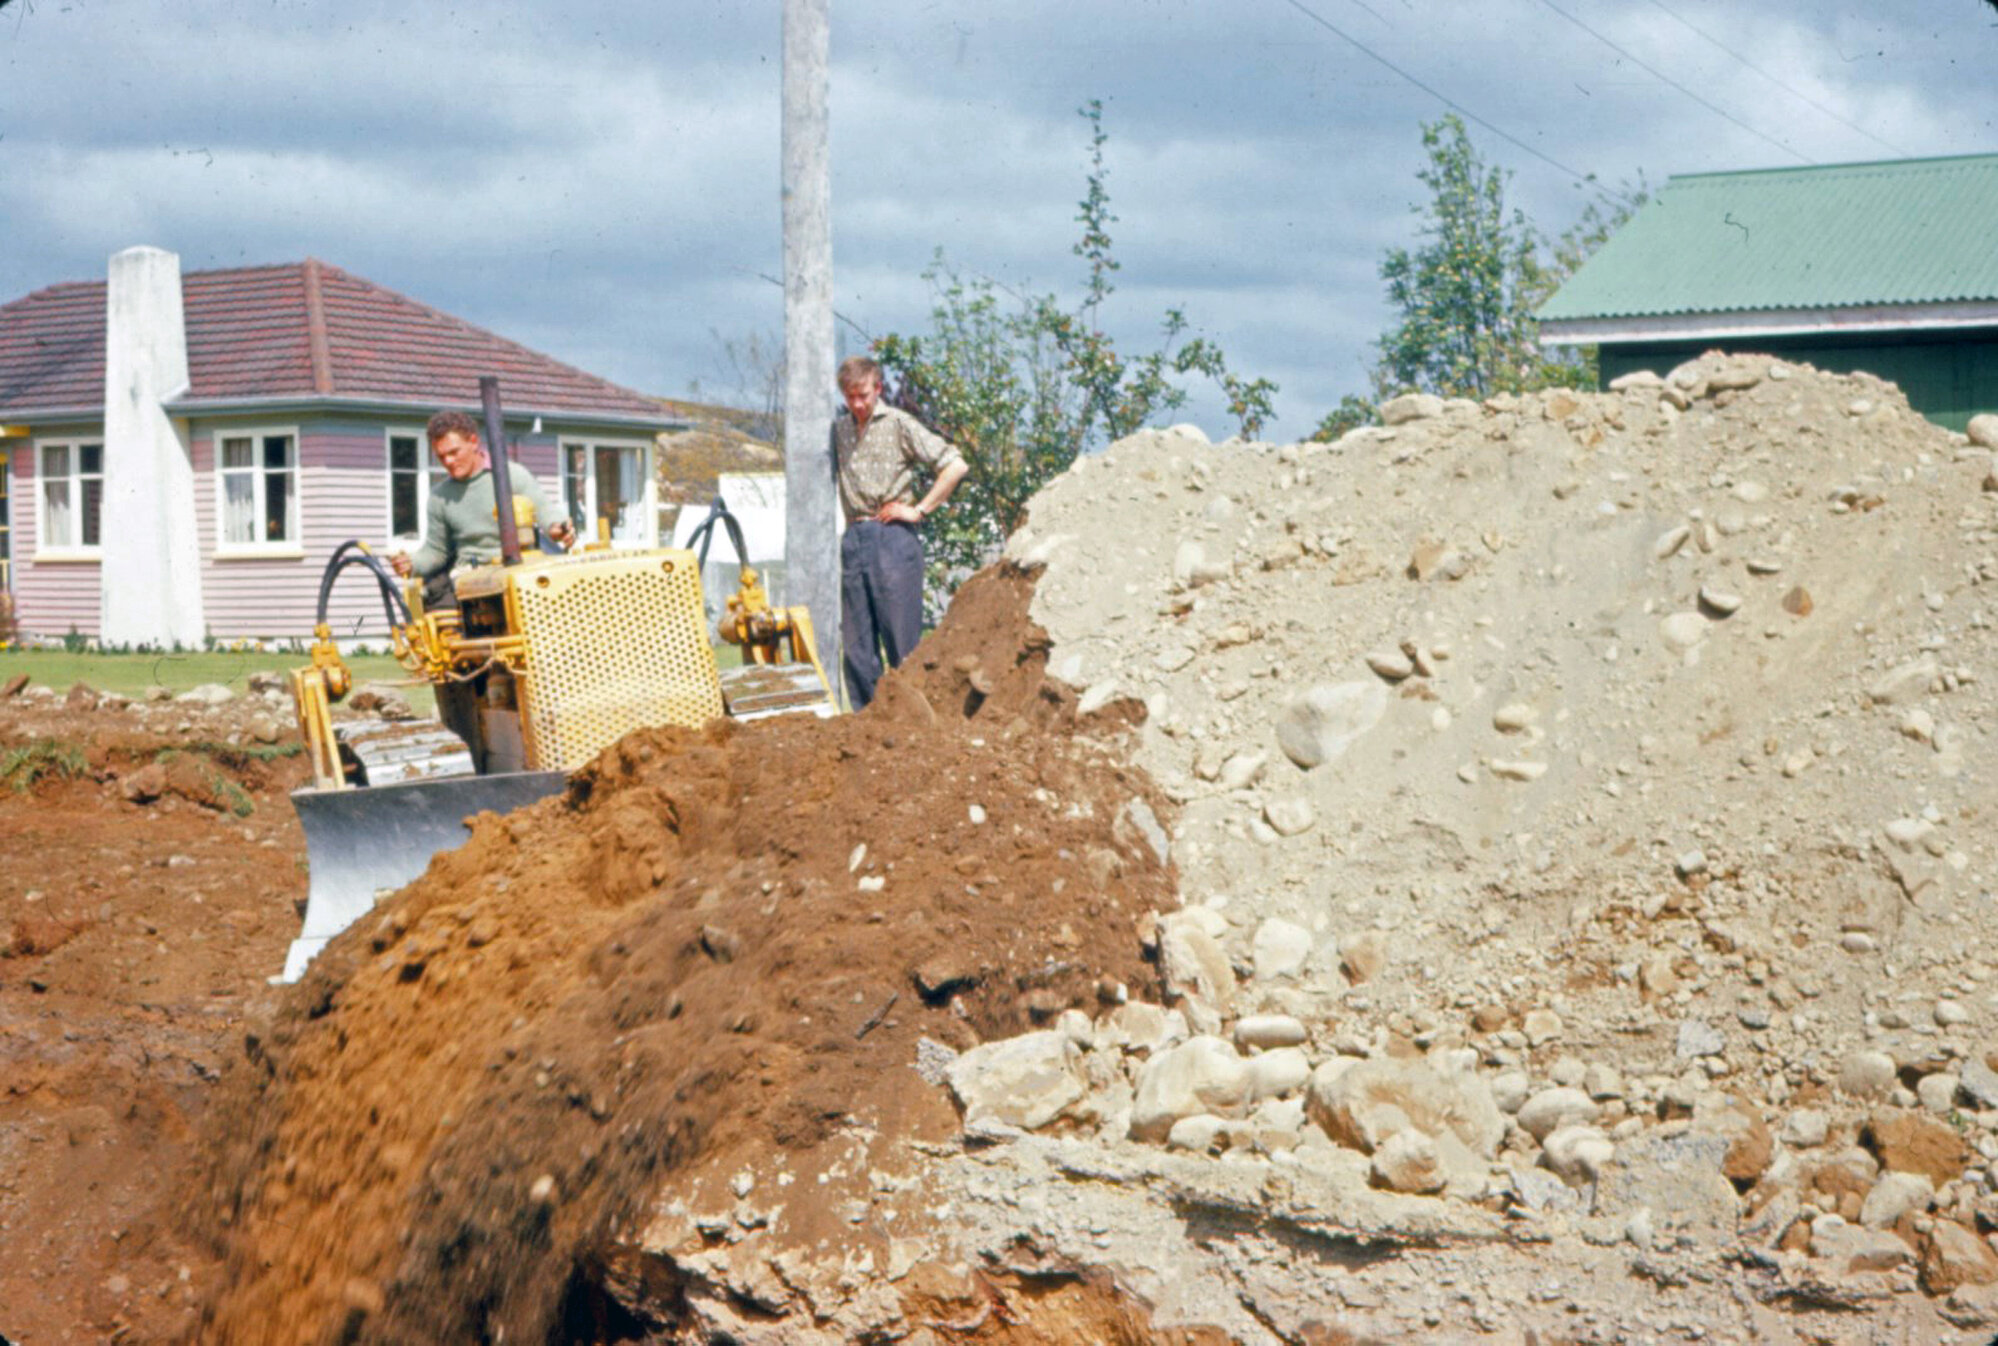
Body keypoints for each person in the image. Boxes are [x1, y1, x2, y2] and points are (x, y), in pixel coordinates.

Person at [832, 355, 969, 709]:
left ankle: (913, 720)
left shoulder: (898, 423)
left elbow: (955, 465)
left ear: (878, 388)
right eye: (850, 396)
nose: (857, 404)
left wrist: (919, 510)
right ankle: (867, 723)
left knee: (901, 643)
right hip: (854, 538)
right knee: (857, 649)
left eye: (863, 395)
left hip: (892, 537)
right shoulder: (839, 430)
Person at [391, 410, 575, 604]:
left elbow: (546, 513)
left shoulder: (512, 475)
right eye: (441, 456)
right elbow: (435, 552)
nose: (448, 462)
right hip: (471, 578)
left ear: (473, 441)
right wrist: (411, 563)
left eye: (454, 452)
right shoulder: (440, 497)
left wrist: (558, 528)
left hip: (520, 572)